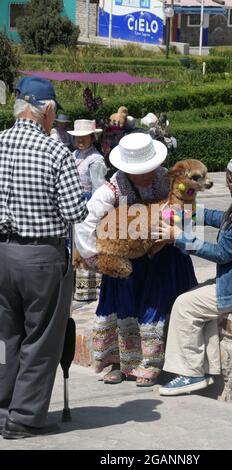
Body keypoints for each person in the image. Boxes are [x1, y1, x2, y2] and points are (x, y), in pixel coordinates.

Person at [0, 76, 88, 439]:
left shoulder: (0, 144)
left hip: (3, 253)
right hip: (41, 258)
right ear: (47, 110)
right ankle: (22, 417)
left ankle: (2, 407)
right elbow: (75, 211)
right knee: (41, 340)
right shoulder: (56, 152)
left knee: (5, 336)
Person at [155, 146, 232, 396]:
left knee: (184, 304)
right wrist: (189, 212)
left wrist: (179, 237)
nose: (225, 183)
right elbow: (225, 218)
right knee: (198, 298)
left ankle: (189, 374)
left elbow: (221, 252)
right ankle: (207, 370)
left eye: (229, 179)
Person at [75, 133, 198, 386]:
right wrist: (96, 258)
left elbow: (188, 212)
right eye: (142, 171)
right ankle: (121, 362)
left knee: (157, 305)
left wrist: (177, 230)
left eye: (150, 169)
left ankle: (153, 363)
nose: (147, 175)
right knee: (124, 306)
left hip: (164, 257)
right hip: (128, 259)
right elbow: (85, 223)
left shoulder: (168, 181)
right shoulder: (113, 189)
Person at [68, 119, 108, 301]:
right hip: (73, 204)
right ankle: (77, 285)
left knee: (87, 243)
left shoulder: (96, 159)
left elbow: (99, 188)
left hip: (88, 204)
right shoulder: (73, 155)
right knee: (74, 243)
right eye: (78, 138)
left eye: (84, 137)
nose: (81, 141)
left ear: (92, 137)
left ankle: (92, 288)